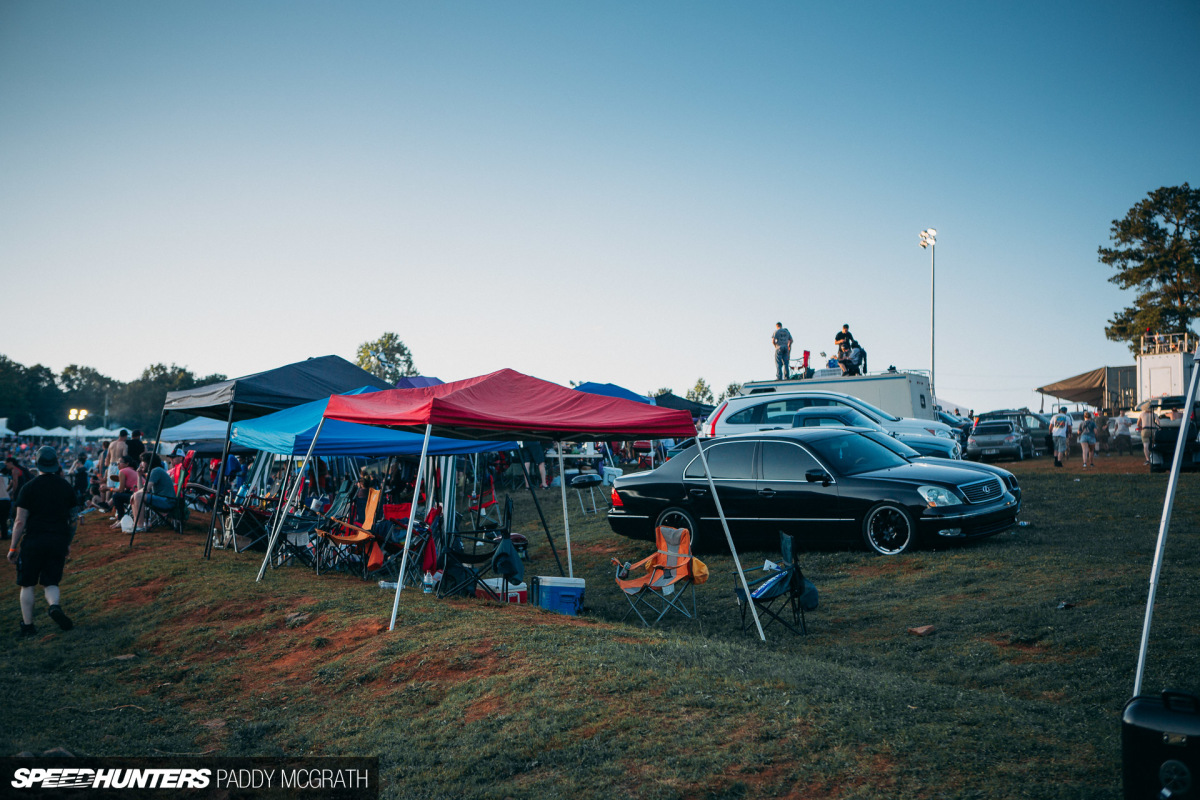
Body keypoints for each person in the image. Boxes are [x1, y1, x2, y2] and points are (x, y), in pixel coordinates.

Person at [8, 446, 77, 637]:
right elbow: (73, 520)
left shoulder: (28, 487)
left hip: (34, 541)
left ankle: (28, 626)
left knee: (27, 584)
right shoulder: (65, 486)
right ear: (56, 464)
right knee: (51, 581)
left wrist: (13, 546)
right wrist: (67, 542)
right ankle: (54, 606)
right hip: (57, 540)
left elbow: (20, 520)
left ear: (37, 464)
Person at [129, 452, 177, 531]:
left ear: (149, 462)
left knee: (136, 495)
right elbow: (141, 490)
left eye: (143, 461)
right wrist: (139, 476)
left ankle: (140, 525)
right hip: (164, 499)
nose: (141, 464)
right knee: (136, 496)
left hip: (167, 501)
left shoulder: (156, 471)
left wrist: (135, 494)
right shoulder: (154, 471)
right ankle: (136, 524)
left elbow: (145, 489)